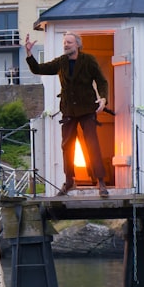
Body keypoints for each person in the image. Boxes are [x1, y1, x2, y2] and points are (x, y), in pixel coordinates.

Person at [24, 31, 109, 197]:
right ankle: (69, 181)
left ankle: (101, 182)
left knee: (92, 145)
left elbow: (101, 80)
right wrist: (29, 54)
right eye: (64, 42)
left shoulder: (88, 60)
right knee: (67, 147)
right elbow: (38, 69)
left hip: (87, 109)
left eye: (69, 42)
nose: (66, 45)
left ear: (77, 44)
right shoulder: (61, 62)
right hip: (69, 110)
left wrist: (103, 99)